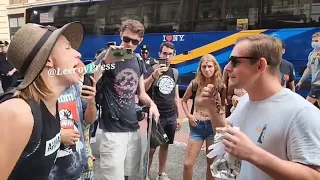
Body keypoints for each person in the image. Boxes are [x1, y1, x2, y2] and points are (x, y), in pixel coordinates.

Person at [200, 34, 320, 180]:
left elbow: (314, 175)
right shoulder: (245, 101)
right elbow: (227, 138)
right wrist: (214, 112)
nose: (227, 68)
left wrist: (253, 154)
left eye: (235, 61)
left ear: (260, 65)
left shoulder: (302, 113)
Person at [0, 22, 85, 180]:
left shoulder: (51, 103)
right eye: (68, 48)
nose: (78, 54)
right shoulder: (18, 113)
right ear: (48, 60)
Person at [94, 19, 159, 180]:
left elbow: (141, 93)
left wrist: (152, 105)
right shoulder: (107, 56)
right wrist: (106, 62)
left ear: (140, 41)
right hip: (112, 129)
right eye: (126, 39)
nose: (129, 44)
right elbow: (92, 81)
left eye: (134, 41)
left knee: (129, 173)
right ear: (121, 35)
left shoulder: (137, 59)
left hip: (132, 127)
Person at [48, 60, 97, 180]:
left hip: (80, 166)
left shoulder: (75, 87)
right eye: (67, 48)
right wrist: (59, 137)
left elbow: (89, 121)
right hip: (54, 173)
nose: (78, 55)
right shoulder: (37, 93)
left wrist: (91, 102)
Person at [143, 41, 181, 180]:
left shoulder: (175, 72)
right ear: (159, 54)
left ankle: (161, 173)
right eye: (164, 53)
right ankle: (145, 174)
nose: (167, 57)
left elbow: (176, 97)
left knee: (165, 145)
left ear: (174, 55)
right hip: (155, 115)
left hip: (170, 115)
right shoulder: (150, 69)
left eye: (170, 54)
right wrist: (154, 75)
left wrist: (178, 117)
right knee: (152, 148)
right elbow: (142, 90)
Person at [181, 54, 219, 180]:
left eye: (209, 66)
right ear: (200, 69)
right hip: (197, 126)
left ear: (215, 67)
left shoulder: (221, 85)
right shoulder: (195, 84)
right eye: (204, 67)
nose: (207, 70)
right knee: (187, 164)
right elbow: (184, 100)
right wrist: (189, 115)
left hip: (212, 129)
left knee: (211, 165)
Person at [297, 32, 320, 106]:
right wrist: (301, 81)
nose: (314, 43)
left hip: (318, 85)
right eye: (313, 41)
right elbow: (309, 69)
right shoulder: (311, 54)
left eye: (316, 41)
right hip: (314, 83)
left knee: (307, 105)